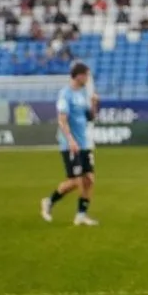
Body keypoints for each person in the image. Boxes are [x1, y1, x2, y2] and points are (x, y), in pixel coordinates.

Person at [40, 63, 101, 226]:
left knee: (89, 179)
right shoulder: (65, 94)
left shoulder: (82, 94)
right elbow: (62, 119)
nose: (88, 79)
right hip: (71, 144)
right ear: (79, 75)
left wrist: (94, 104)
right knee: (75, 181)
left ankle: (81, 215)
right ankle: (49, 201)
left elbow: (90, 117)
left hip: (84, 143)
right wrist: (71, 140)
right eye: (86, 75)